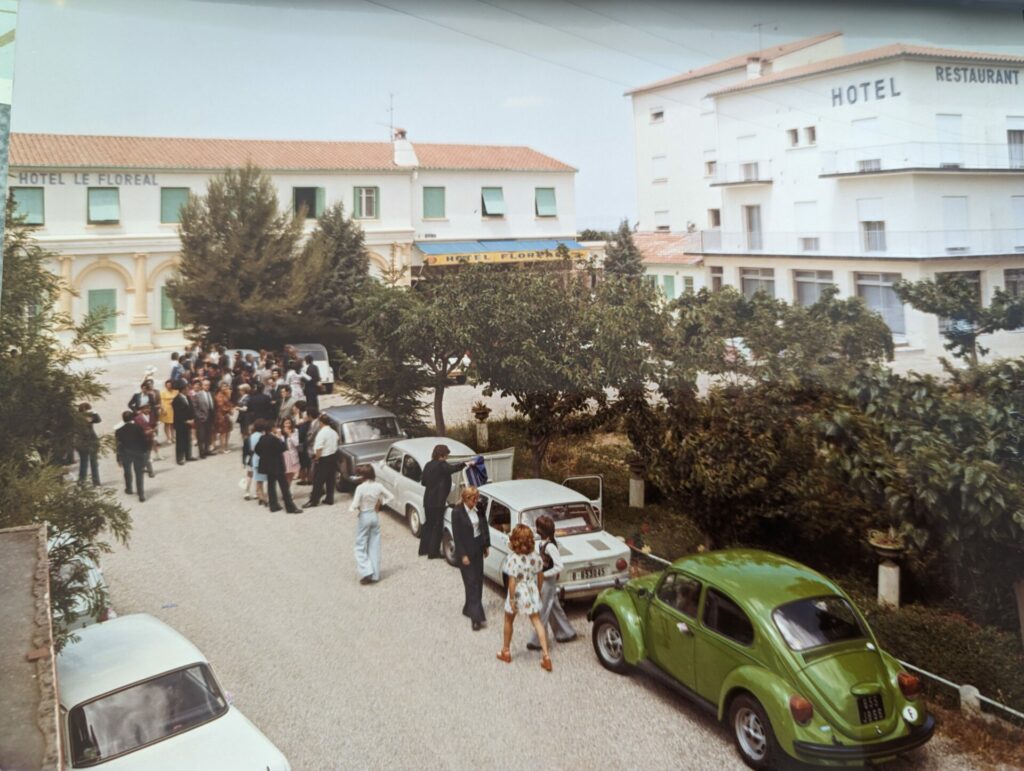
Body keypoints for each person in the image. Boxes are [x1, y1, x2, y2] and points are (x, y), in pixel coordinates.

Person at [497, 524, 552, 672]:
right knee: (537, 621)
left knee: (509, 619)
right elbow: (540, 575)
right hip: (531, 589)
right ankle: (546, 656)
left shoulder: (512, 559)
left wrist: (512, 599)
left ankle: (506, 651)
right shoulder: (536, 557)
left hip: (518, 591)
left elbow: (512, 581)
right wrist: (538, 591)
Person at [526, 515, 577, 650]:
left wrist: (544, 574)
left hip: (547, 582)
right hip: (544, 580)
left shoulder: (550, 547)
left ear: (541, 530)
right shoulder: (543, 544)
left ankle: (537, 641)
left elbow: (559, 566)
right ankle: (566, 632)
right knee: (553, 606)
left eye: (538, 527)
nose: (536, 529)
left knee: (542, 610)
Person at [419, 445, 470, 559]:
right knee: (437, 526)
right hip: (438, 501)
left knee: (429, 524)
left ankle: (424, 549)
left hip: (427, 500)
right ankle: (433, 553)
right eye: (446, 454)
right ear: (442, 455)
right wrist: (465, 464)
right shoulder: (442, 465)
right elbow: (453, 469)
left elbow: (423, 482)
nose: (447, 456)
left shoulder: (428, 464)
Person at [451, 486, 490, 631]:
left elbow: (483, 526)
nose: (476, 501)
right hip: (466, 550)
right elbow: (457, 535)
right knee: (471, 582)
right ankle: (476, 618)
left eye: (477, 498)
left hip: (478, 548)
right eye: (474, 499)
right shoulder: (457, 512)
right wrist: (463, 555)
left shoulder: (478, 508)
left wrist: (486, 545)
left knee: (478, 581)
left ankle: (469, 608)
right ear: (466, 499)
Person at [349, 464, 393, 584]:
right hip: (374, 515)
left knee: (359, 545)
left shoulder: (360, 488)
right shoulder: (378, 486)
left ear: (363, 476)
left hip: (364, 515)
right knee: (374, 545)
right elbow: (391, 496)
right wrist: (381, 503)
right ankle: (375, 574)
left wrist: (355, 507)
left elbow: (354, 505)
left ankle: (366, 571)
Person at [255, 424, 300, 513]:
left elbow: (257, 450)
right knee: (284, 486)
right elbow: (283, 448)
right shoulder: (275, 439)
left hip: (268, 466)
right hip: (277, 465)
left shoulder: (262, 438)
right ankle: (290, 507)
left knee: (271, 486)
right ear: (272, 429)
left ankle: (273, 505)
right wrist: (279, 438)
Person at [304, 413, 338, 508]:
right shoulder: (333, 432)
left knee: (318, 480)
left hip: (324, 458)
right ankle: (329, 498)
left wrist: (317, 458)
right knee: (330, 479)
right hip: (333, 456)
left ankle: (314, 500)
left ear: (321, 422)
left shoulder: (322, 433)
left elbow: (319, 448)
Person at [115, 410, 148, 502]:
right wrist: (145, 451)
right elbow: (144, 440)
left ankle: (129, 489)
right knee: (139, 474)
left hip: (126, 453)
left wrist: (118, 458)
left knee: (127, 472)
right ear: (133, 418)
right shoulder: (138, 428)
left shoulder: (119, 430)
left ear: (123, 419)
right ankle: (141, 494)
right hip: (138, 453)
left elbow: (118, 445)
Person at [74, 403, 101, 486]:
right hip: (90, 441)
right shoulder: (88, 417)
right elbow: (98, 420)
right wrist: (94, 412)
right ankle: (95, 481)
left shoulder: (75, 417)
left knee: (83, 462)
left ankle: (82, 480)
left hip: (80, 442)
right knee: (93, 462)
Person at [171, 379, 195, 464]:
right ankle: (179, 458)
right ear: (183, 389)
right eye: (186, 388)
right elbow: (178, 414)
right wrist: (186, 421)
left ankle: (188, 455)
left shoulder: (187, 397)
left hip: (188, 422)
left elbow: (191, 409)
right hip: (180, 424)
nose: (188, 389)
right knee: (180, 441)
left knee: (188, 440)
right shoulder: (176, 400)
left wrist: (192, 419)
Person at [247, 418, 270, 506]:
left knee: (258, 479)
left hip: (255, 458)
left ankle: (260, 496)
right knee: (263, 479)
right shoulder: (262, 436)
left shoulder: (252, 436)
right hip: (262, 459)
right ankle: (263, 497)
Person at [192, 378, 215, 458]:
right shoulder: (197, 395)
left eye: (208, 385)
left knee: (208, 435)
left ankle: (207, 450)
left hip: (210, 417)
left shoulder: (211, 394)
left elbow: (213, 405)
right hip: (201, 418)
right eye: (205, 385)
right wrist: (199, 416)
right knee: (201, 436)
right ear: (202, 386)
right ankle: (201, 452)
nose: (207, 386)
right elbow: (195, 408)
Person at [132, 404, 157, 478]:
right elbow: (136, 430)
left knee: (147, 455)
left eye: (149, 408)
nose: (148, 410)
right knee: (146, 456)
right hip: (142, 439)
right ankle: (150, 471)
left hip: (150, 438)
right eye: (146, 409)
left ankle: (143, 467)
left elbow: (154, 425)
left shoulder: (152, 416)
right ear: (142, 410)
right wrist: (145, 432)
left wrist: (154, 430)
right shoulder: (137, 418)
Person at [213, 382, 235, 453]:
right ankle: (222, 448)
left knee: (227, 431)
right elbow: (221, 405)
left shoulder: (226, 394)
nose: (225, 388)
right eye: (223, 386)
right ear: (220, 387)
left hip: (226, 415)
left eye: (226, 386)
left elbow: (229, 403)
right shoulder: (219, 395)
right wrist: (229, 410)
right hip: (221, 415)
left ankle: (226, 446)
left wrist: (231, 407)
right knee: (223, 432)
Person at [281, 417, 300, 483]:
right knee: (284, 474)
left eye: (289, 423)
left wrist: (289, 434)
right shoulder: (280, 432)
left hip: (292, 454)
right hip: (283, 455)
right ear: (283, 424)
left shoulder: (295, 431)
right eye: (286, 423)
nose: (287, 425)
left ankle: (287, 490)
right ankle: (286, 490)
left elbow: (296, 443)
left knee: (291, 473)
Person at [159, 379, 177, 444]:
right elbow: (161, 401)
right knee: (167, 424)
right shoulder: (162, 392)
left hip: (174, 408)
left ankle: (173, 437)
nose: (169, 386)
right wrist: (163, 409)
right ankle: (168, 438)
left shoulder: (175, 391)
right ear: (166, 386)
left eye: (170, 385)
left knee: (173, 424)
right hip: (166, 408)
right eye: (167, 385)